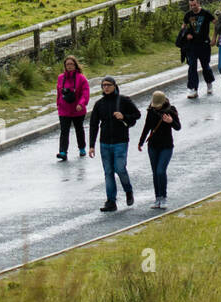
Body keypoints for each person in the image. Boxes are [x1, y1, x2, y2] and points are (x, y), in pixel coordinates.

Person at [88, 77, 140, 211]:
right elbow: (94, 124)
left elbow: (137, 114)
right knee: (108, 172)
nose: (106, 87)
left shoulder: (123, 100)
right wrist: (91, 145)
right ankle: (111, 201)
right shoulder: (99, 104)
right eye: (103, 85)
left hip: (120, 141)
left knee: (120, 168)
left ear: (114, 86)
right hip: (104, 142)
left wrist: (124, 117)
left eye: (108, 85)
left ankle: (128, 190)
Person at [137, 90, 180, 209]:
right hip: (153, 146)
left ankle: (164, 197)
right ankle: (157, 198)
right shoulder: (151, 111)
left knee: (161, 171)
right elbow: (146, 127)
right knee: (155, 173)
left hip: (166, 146)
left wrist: (171, 121)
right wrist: (141, 141)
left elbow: (178, 127)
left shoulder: (171, 111)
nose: (156, 107)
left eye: (158, 105)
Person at [56, 55, 90, 161]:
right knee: (64, 131)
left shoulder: (81, 78)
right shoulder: (61, 78)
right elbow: (58, 92)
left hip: (77, 109)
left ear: (75, 65)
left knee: (79, 129)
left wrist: (81, 104)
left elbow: (85, 93)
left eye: (71, 64)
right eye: (67, 64)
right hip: (64, 109)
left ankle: (82, 148)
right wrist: (58, 104)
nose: (69, 66)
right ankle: (63, 152)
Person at [179, 0, 215, 98]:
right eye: (191, 5)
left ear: (199, 3)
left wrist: (214, 38)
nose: (193, 7)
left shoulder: (205, 13)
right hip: (192, 45)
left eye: (194, 5)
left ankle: (209, 83)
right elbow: (183, 27)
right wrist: (185, 35)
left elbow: (216, 23)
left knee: (205, 65)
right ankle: (193, 89)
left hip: (204, 43)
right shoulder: (188, 15)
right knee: (192, 66)